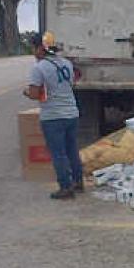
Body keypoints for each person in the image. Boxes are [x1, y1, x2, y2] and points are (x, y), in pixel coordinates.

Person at [23, 32, 83, 199]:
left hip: (53, 117)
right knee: (72, 150)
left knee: (58, 153)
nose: (33, 52)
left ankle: (65, 187)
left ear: (41, 48)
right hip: (72, 113)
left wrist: (27, 93)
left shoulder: (39, 68)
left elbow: (35, 94)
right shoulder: (67, 64)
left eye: (34, 48)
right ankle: (78, 182)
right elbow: (69, 84)